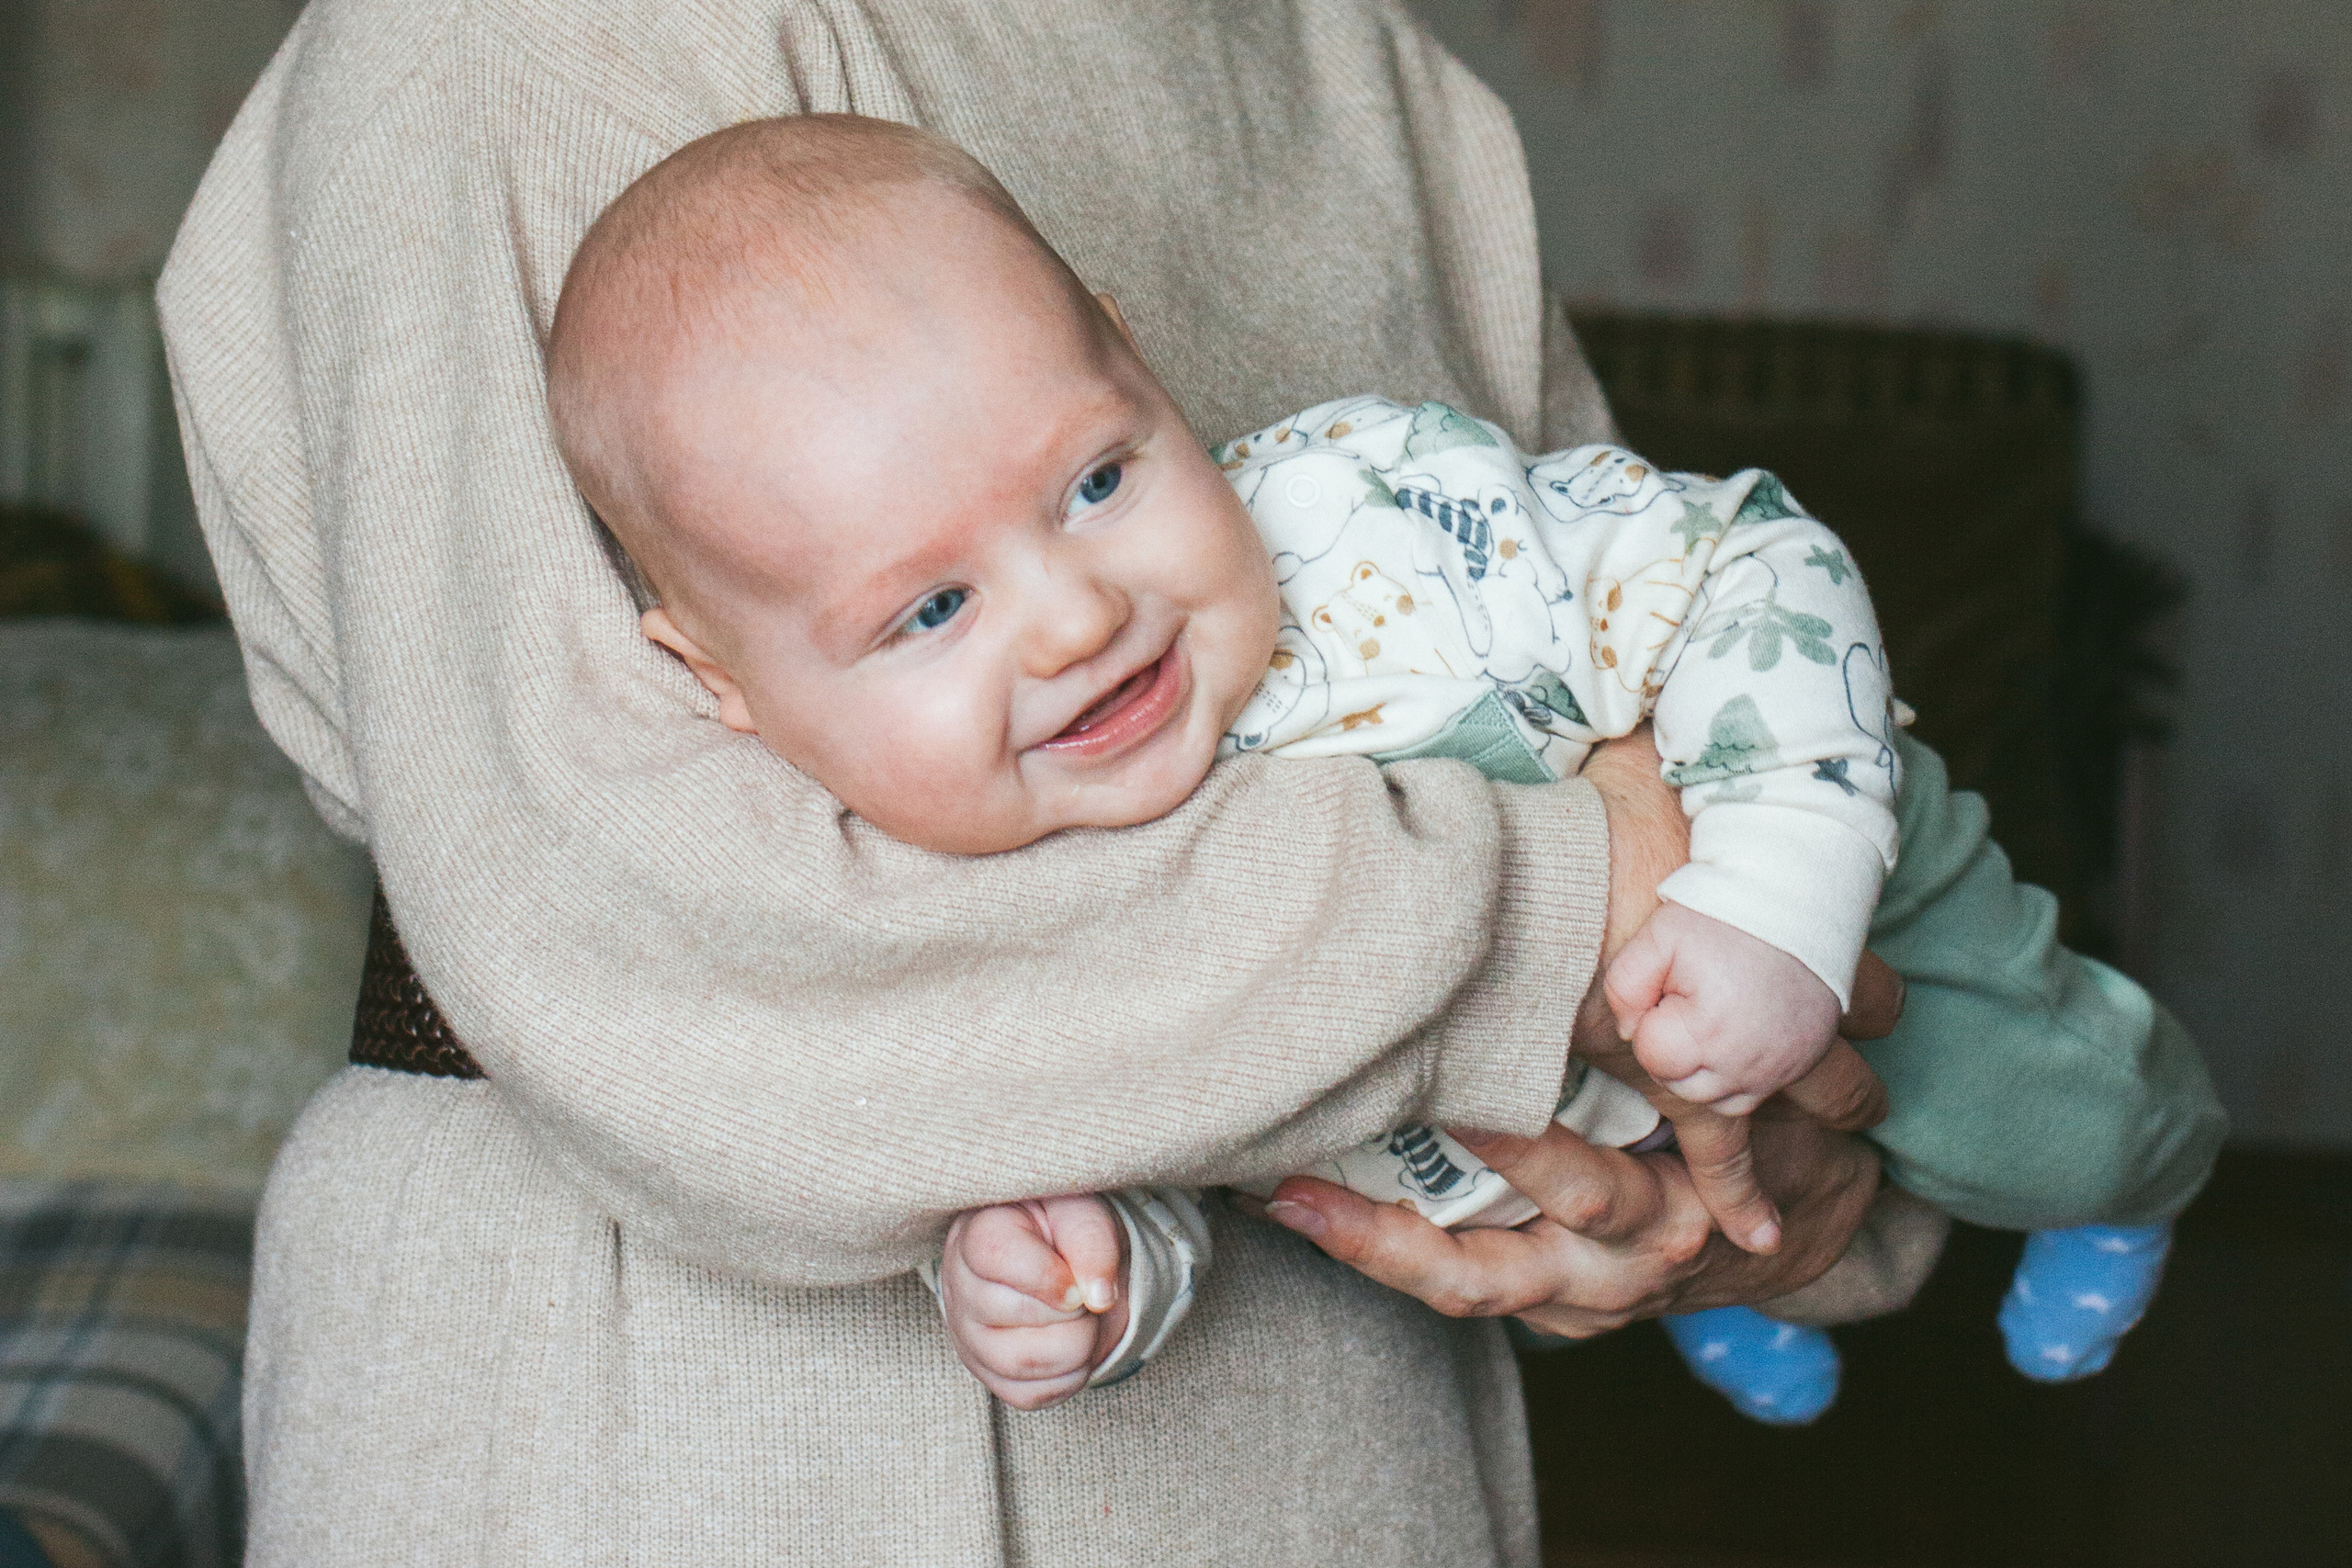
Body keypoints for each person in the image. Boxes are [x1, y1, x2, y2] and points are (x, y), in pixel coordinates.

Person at [162, 3, 1910, 1562]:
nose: (1075, 611)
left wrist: (1761, 1168)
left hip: (1340, 1440)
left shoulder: (1367, 65)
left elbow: (1667, 689)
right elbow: (632, 936)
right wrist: (1555, 916)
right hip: (699, 1445)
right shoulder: (515, 43)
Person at [538, 116, 2222, 1425]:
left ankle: (2145, 1173)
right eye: (928, 606)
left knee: (2030, 1122)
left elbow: (1747, 559)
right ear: (724, 685)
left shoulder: (1382, 523)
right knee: (1661, 1263)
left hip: (1827, 865)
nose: (1074, 621)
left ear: (1140, 369)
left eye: (1100, 480)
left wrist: (1774, 887)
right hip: (1539, 1189)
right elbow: (1178, 1152)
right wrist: (1079, 1270)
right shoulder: (932, 868)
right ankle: (1711, 1323)